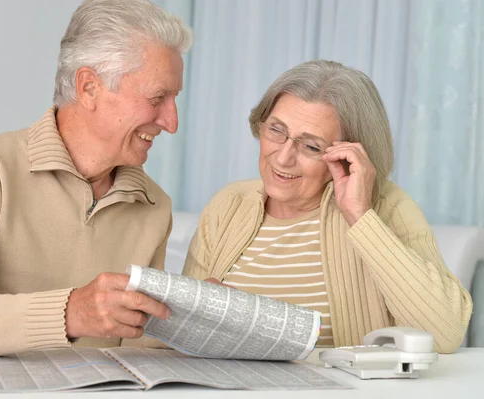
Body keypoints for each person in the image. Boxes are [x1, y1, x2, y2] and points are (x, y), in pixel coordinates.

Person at [0, 0, 192, 356]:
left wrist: (182, 320)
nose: (172, 122)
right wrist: (70, 313)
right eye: (158, 98)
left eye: (175, 99)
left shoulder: (154, 205)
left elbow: (134, 343)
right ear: (89, 87)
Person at [183, 60, 472, 354]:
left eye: (311, 147)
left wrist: (359, 215)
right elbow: (181, 331)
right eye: (276, 130)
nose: (282, 158)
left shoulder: (388, 207)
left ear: (348, 156)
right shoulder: (229, 205)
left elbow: (444, 334)